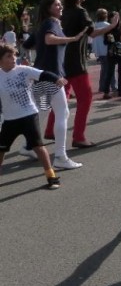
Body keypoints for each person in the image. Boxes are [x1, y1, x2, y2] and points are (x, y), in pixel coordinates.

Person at [50, 0, 119, 149]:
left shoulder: (63, 12)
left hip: (61, 61)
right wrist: (113, 25)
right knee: (85, 98)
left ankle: (51, 130)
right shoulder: (80, 12)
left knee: (61, 98)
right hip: (76, 62)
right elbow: (93, 33)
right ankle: (79, 137)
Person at [20, 0, 87, 169]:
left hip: (40, 76)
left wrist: (38, 52)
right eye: (56, 4)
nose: (60, 6)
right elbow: (49, 40)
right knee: (63, 113)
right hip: (51, 76)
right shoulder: (51, 23)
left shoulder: (41, 25)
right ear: (48, 8)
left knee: (42, 111)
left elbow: (28, 45)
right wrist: (71, 39)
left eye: (60, 3)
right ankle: (60, 156)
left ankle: (28, 146)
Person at [0, 43, 66, 189]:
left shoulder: (23, 70)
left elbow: (43, 74)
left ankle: (51, 177)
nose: (13, 59)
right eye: (9, 56)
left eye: (14, 55)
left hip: (29, 115)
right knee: (1, 149)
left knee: (38, 147)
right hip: (10, 120)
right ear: (1, 60)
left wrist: (56, 79)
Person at [102, 15, 121, 99]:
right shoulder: (108, 29)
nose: (116, 19)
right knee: (110, 72)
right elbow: (105, 42)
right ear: (110, 19)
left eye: (117, 17)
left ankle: (120, 91)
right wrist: (110, 40)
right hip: (112, 52)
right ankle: (106, 92)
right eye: (113, 18)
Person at [92, 9, 116, 94]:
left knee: (104, 69)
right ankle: (113, 86)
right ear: (106, 16)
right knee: (111, 69)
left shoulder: (94, 25)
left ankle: (102, 87)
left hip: (99, 50)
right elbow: (111, 39)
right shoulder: (108, 25)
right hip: (107, 49)